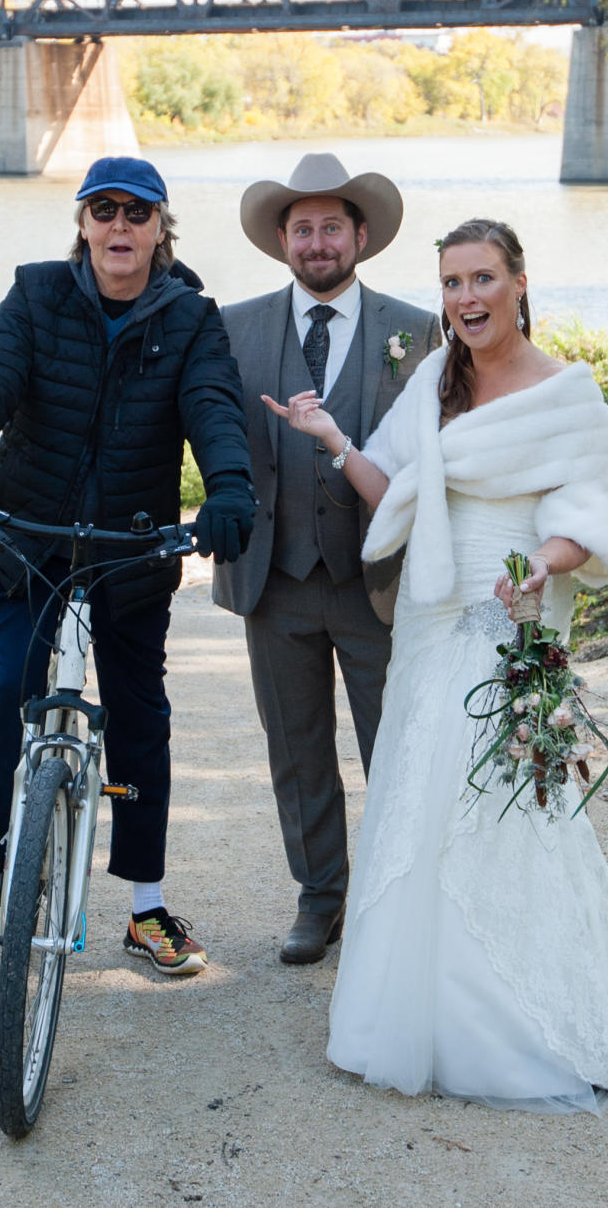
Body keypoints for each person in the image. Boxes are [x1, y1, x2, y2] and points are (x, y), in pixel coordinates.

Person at [265, 217, 608, 1109]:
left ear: (518, 282)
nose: (465, 298)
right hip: (430, 620)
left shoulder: (566, 394)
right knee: (418, 802)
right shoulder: (433, 381)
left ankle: (525, 1017)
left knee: (505, 812)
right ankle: (415, 1014)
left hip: (510, 613)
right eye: (451, 283)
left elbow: (590, 513)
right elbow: (395, 494)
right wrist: (333, 442)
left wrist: (547, 563)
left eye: (481, 279)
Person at [0, 156, 255, 978]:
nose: (119, 226)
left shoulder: (190, 318)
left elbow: (211, 405)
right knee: (8, 695)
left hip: (129, 552)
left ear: (160, 230)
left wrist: (230, 489)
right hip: (25, 540)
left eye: (137, 214)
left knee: (140, 716)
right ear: (81, 223)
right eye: (103, 210)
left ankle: (145, 905)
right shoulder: (35, 293)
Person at [212, 153, 439, 965]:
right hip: (273, 577)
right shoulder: (232, 326)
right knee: (297, 752)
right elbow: (209, 434)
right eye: (301, 228)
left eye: (330, 227)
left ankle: (403, 896)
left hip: (377, 580)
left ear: (361, 235)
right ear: (281, 241)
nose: (317, 242)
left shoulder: (416, 327)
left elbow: (438, 453)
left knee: (399, 747)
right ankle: (320, 900)